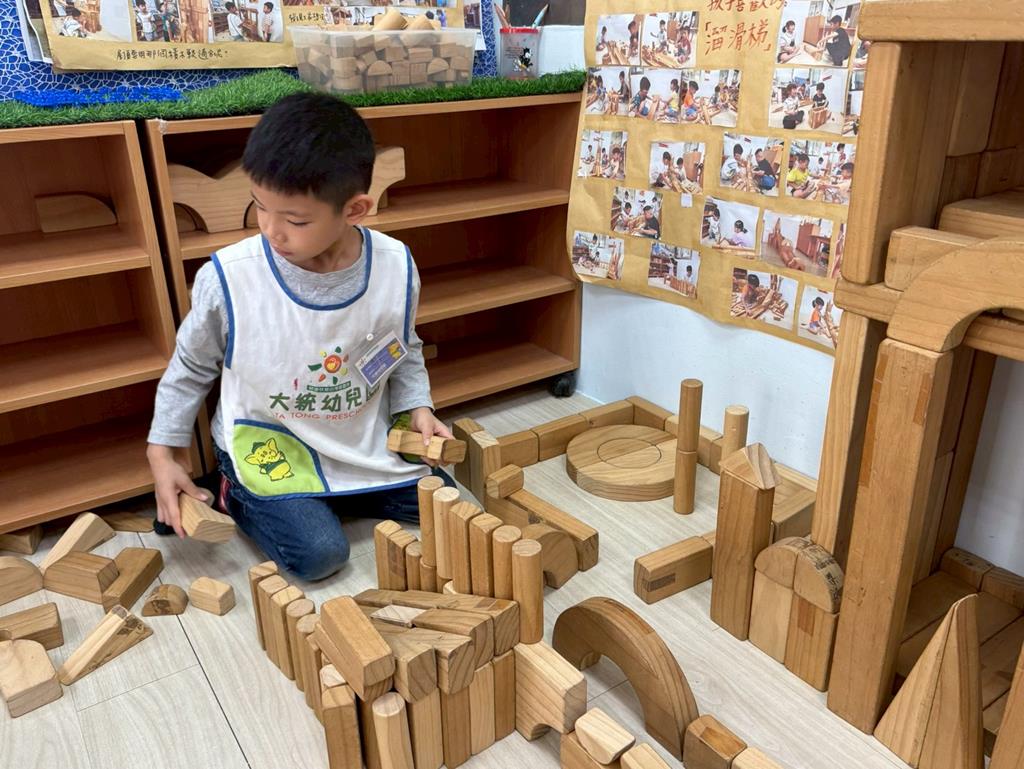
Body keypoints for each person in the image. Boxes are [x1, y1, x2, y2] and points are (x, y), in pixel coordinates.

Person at [146, 93, 455, 581]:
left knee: (451, 504)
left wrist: (418, 407)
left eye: (295, 220)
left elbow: (403, 348)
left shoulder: (395, 264)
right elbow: (190, 368)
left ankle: (339, 495)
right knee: (321, 554)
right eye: (259, 206)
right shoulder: (229, 277)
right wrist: (162, 452)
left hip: (359, 440)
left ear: (355, 209)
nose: (271, 230)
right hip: (273, 446)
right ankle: (235, 491)